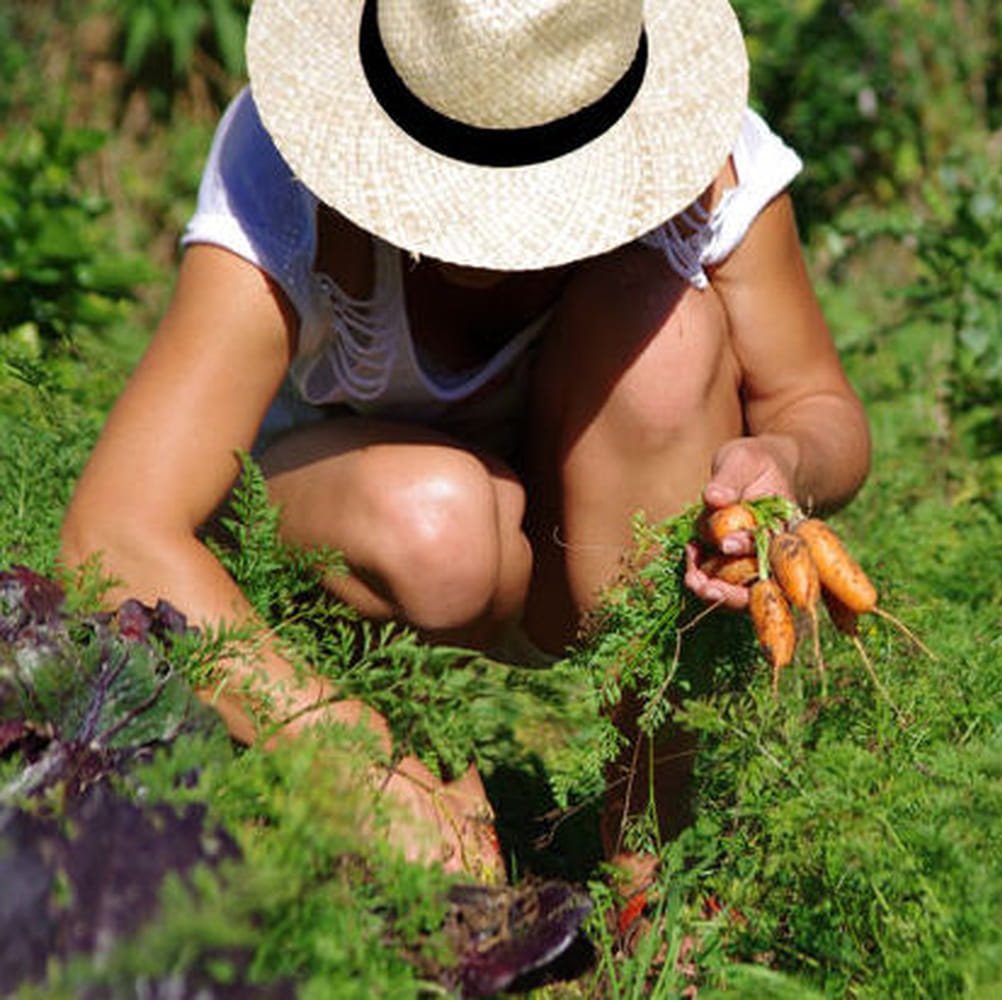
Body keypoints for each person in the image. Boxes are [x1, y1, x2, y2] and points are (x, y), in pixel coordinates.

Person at [59, 0, 870, 876]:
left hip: (592, 560)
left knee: (668, 339)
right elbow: (112, 537)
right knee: (440, 522)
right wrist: (348, 765)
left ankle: (655, 843)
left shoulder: (705, 164)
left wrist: (783, 460)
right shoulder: (286, 170)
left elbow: (817, 403)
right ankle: (392, 738)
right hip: (355, 549)